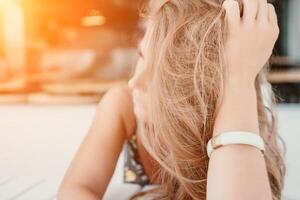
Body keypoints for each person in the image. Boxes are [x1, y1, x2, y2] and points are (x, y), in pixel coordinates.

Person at [58, 0, 285, 199]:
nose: (134, 82)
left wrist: (238, 81)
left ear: (194, 91)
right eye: (140, 57)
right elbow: (76, 188)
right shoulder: (123, 103)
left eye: (156, 73)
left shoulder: (232, 114)